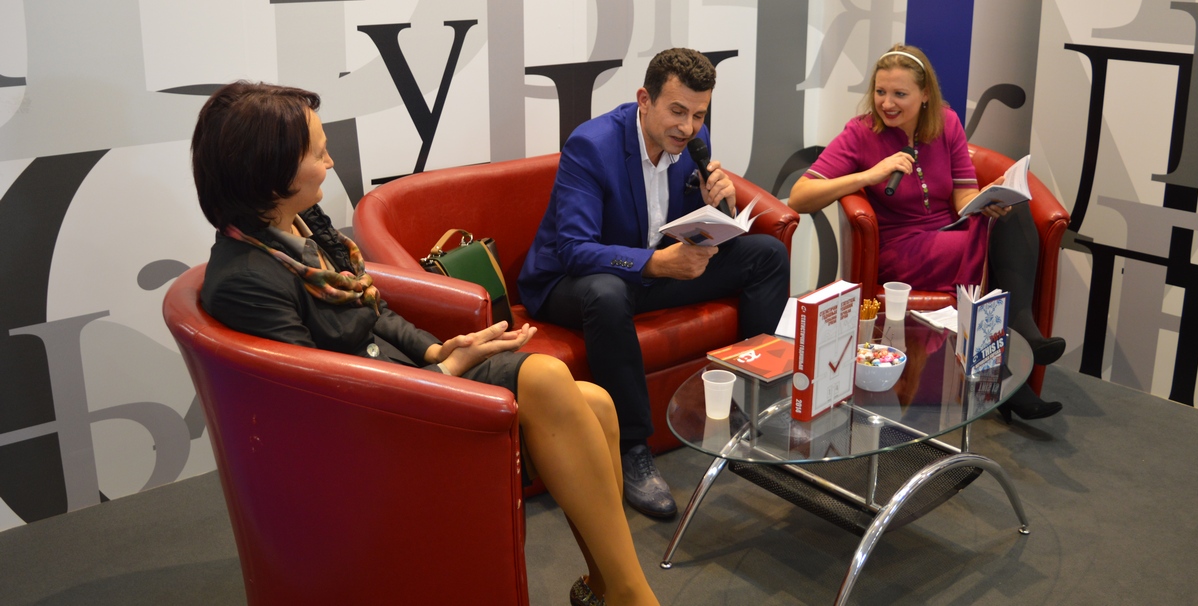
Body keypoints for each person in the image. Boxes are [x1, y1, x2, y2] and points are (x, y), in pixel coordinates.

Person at [192, 82, 658, 606]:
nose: (330, 162)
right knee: (548, 376)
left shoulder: (301, 225)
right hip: (376, 425)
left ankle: (603, 585)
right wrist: (446, 375)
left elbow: (372, 311)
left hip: (404, 382)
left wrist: (438, 352)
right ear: (269, 171)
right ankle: (633, 596)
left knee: (596, 403)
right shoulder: (247, 280)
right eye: (317, 154)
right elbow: (318, 407)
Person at [518, 48, 791, 517]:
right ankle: (632, 449)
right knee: (607, 293)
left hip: (650, 272)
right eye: (677, 111)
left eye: (699, 115)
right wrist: (658, 264)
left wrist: (717, 204)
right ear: (644, 100)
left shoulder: (692, 142)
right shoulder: (592, 145)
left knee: (766, 254)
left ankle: (758, 402)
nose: (688, 127)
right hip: (571, 282)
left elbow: (696, 226)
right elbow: (575, 249)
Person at [787, 43, 1067, 423]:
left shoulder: (946, 124)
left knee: (1013, 212)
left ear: (924, 96)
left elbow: (963, 195)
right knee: (992, 245)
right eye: (880, 91)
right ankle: (1017, 355)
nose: (887, 103)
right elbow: (800, 197)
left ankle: (1010, 364)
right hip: (901, 248)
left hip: (951, 231)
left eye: (899, 94)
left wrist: (986, 198)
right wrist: (868, 175)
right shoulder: (860, 133)